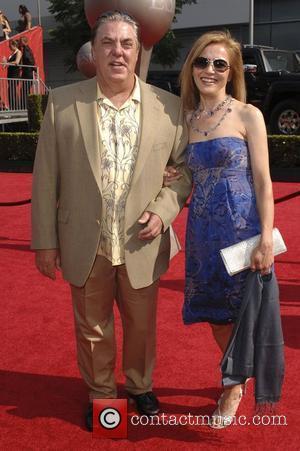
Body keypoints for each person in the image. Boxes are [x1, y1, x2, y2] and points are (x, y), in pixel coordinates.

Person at [31, 11, 191, 432]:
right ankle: (101, 394)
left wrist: (164, 209)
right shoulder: (63, 103)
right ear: (94, 50)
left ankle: (139, 386)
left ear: (138, 52)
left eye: (126, 44)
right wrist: (44, 242)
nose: (117, 52)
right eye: (108, 43)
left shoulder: (168, 106)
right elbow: (47, 176)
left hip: (142, 240)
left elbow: (184, 171)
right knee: (92, 328)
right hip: (86, 240)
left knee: (141, 327)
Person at [164, 30, 274, 427]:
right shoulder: (186, 119)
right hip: (203, 232)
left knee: (242, 311)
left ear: (231, 72)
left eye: (219, 64)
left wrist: (265, 236)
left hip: (241, 229)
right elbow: (184, 174)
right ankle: (237, 373)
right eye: (201, 62)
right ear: (191, 67)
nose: (209, 70)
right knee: (215, 313)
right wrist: (171, 172)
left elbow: (263, 181)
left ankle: (232, 384)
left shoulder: (248, 115)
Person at [4, 40, 22, 109]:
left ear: (14, 45)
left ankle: (15, 107)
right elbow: (8, 64)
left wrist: (7, 63)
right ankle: (13, 107)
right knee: (11, 91)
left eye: (10, 46)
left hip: (15, 75)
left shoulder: (18, 52)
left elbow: (17, 62)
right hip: (10, 75)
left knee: (11, 91)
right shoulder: (12, 53)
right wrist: (5, 62)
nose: (9, 47)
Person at [19, 36, 36, 107]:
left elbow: (28, 59)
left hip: (27, 73)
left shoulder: (26, 49)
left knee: (25, 91)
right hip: (28, 72)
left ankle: (25, 106)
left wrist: (24, 66)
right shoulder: (28, 49)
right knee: (25, 90)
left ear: (23, 42)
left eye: (20, 41)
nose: (20, 42)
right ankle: (25, 106)